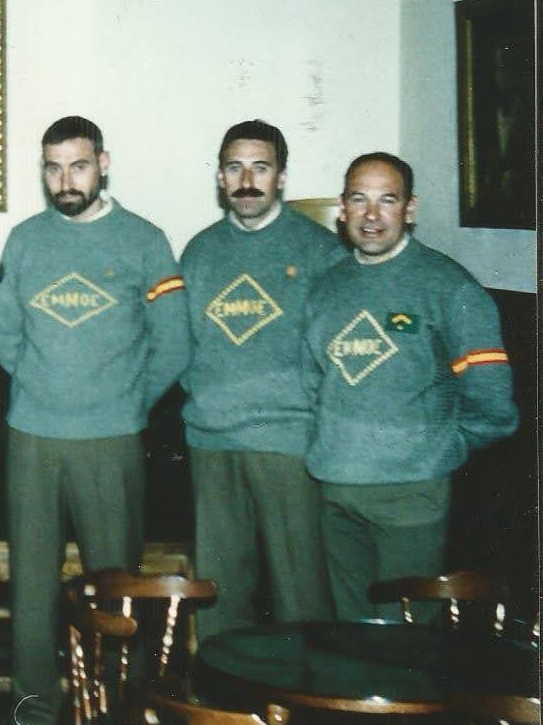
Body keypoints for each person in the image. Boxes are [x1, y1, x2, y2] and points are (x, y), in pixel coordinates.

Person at [0, 115, 190, 725]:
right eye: (52, 168)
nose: (64, 181)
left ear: (103, 163)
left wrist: (126, 402)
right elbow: (5, 335)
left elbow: (174, 343)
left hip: (111, 439)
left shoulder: (144, 241)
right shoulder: (25, 240)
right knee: (31, 587)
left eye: (77, 165)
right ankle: (32, 721)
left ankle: (117, 720)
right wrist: (44, 386)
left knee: (115, 588)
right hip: (33, 436)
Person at [303, 152, 518, 621]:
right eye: (359, 199)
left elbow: (493, 399)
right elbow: (311, 381)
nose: (371, 215)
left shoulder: (449, 287)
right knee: (351, 632)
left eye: (387, 200)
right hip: (336, 487)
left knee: (409, 638)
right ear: (342, 207)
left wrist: (442, 447)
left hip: (411, 494)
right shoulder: (325, 287)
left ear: (410, 208)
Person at [179, 121, 342, 638]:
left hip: (289, 446)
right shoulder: (199, 251)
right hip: (212, 443)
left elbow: (337, 355)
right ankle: (223, 690)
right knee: (219, 596)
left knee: (302, 595)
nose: (247, 181)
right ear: (220, 177)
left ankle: (311, 690)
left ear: (282, 177)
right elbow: (182, 344)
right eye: (235, 168)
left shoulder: (321, 252)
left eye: (260, 168)